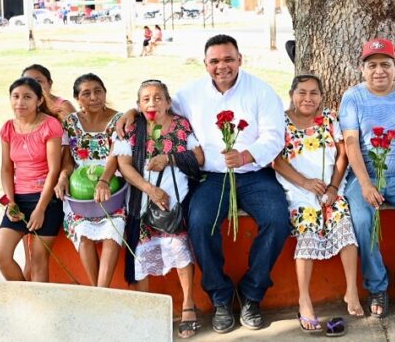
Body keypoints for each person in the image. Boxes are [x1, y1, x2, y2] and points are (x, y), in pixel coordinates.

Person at [116, 34, 290, 333]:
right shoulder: (191, 93)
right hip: (211, 177)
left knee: (277, 220)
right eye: (215, 61)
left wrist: (247, 154)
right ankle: (220, 297)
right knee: (199, 224)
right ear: (205, 64)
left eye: (228, 59)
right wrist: (131, 112)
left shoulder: (261, 91)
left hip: (254, 174)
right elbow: (159, 106)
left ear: (240, 59)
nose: (222, 66)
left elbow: (274, 136)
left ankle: (252, 293)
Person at [340, 38, 395, 319]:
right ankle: (377, 285)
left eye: (385, 64)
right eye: (372, 65)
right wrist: (366, 183)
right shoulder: (352, 97)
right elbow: (351, 142)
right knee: (363, 219)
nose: (379, 70)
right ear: (362, 69)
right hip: (366, 176)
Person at [272, 75, 362, 332]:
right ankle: (304, 300)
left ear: (322, 96)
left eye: (314, 93)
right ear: (292, 94)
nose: (308, 98)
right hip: (297, 190)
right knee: (308, 230)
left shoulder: (330, 118)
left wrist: (334, 187)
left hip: (330, 188)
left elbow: (343, 155)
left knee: (343, 222)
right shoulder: (281, 121)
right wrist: (305, 182)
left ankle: (351, 291)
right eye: (302, 92)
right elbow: (276, 160)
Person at [113, 80, 203, 339]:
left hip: (177, 198)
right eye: (146, 99)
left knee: (179, 249)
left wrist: (170, 158)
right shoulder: (133, 127)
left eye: (158, 98)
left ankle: (188, 305)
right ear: (138, 105)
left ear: (167, 101)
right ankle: (145, 312)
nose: (152, 103)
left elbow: (199, 158)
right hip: (143, 201)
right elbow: (124, 164)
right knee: (141, 254)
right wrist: (150, 190)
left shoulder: (182, 125)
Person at [54, 73, 124, 288]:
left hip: (113, 186)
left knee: (113, 233)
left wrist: (104, 181)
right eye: (86, 93)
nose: (93, 97)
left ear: (105, 93)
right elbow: (67, 162)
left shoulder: (119, 120)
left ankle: (102, 292)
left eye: (98, 91)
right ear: (77, 99)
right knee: (82, 232)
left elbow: (116, 155)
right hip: (79, 190)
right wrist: (63, 177)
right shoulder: (70, 123)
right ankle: (97, 292)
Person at [0, 77, 64, 282]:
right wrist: (11, 201)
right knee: (1, 255)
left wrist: (41, 209)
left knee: (38, 260)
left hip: (46, 199)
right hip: (18, 198)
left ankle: (38, 311)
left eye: (27, 97)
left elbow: (54, 170)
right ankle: (24, 299)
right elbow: (6, 168)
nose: (20, 102)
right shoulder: (8, 128)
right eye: (15, 96)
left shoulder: (50, 125)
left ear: (39, 100)